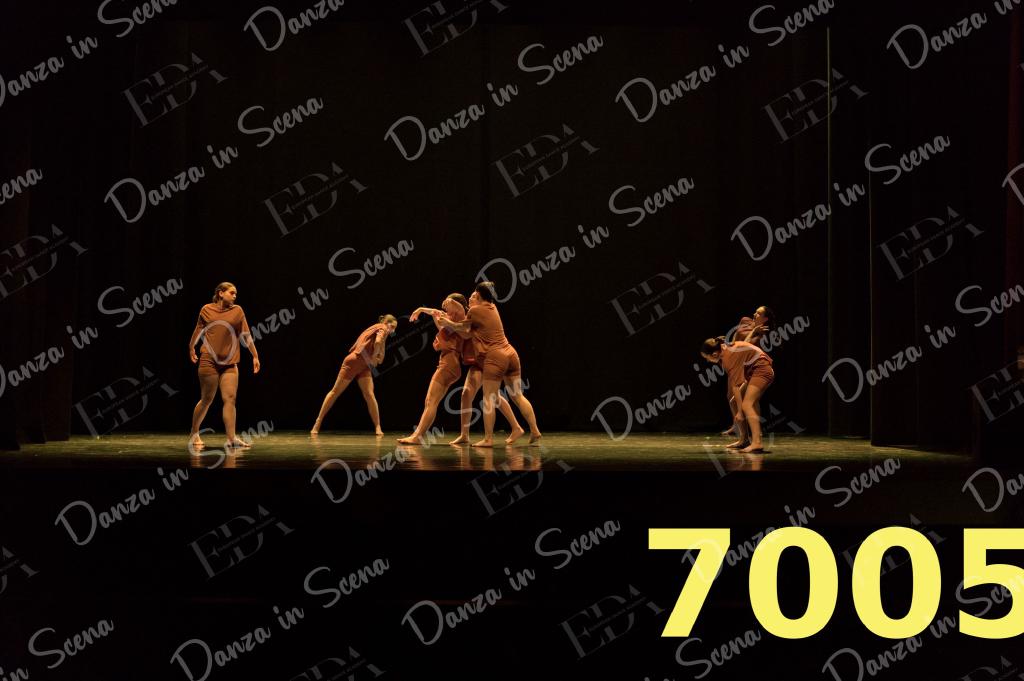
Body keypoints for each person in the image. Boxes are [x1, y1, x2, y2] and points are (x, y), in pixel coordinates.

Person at [399, 294, 522, 445]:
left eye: (448, 304)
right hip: (472, 362)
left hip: (480, 360)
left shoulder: (465, 318)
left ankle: (419, 436)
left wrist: (451, 302)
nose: (445, 308)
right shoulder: (452, 320)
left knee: (434, 401)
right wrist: (421, 309)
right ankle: (466, 435)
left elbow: (460, 311)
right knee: (468, 395)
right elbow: (438, 314)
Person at [436, 281, 541, 447]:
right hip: (511, 354)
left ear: (478, 295)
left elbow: (463, 327)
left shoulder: (475, 310)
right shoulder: (492, 307)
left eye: (473, 295)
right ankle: (534, 430)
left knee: (489, 399)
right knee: (517, 395)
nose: (470, 298)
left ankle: (488, 439)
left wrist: (448, 322)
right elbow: (468, 330)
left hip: (495, 356)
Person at [187, 282, 261, 450]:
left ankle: (231, 438)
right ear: (220, 293)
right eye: (231, 293)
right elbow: (198, 330)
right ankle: (194, 432)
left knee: (230, 399)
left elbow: (246, 335)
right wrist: (191, 347)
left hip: (230, 362)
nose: (235, 296)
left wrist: (255, 355)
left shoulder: (238, 311)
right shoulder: (206, 309)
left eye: (236, 294)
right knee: (207, 399)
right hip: (209, 360)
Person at [311, 315, 398, 436]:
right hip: (355, 361)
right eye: (392, 327)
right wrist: (374, 356)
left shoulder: (381, 332)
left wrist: (377, 354)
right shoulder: (382, 327)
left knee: (369, 394)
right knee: (335, 391)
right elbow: (377, 344)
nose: (393, 330)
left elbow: (381, 359)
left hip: (364, 365)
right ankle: (318, 422)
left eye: (394, 329)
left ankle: (378, 427)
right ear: (385, 322)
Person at [702, 336, 774, 453]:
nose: (708, 361)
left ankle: (757, 443)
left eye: (707, 358)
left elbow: (736, 386)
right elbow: (735, 384)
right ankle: (744, 439)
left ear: (714, 354)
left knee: (747, 405)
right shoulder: (726, 350)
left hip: (762, 370)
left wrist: (740, 412)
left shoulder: (728, 357)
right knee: (734, 401)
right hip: (753, 372)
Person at [722, 305, 775, 436]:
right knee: (731, 396)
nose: (754, 314)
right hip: (737, 364)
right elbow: (736, 338)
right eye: (755, 312)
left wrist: (754, 332)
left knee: (751, 400)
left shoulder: (762, 333)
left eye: (759, 313)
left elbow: (745, 346)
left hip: (750, 368)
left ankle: (756, 432)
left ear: (765, 319)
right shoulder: (745, 320)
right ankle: (737, 426)